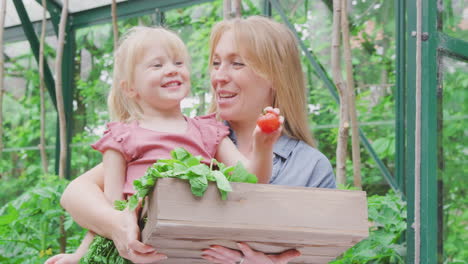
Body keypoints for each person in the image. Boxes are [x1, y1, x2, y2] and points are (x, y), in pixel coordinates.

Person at [55, 16, 336, 264]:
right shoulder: (187, 138)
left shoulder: (311, 167)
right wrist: (116, 227)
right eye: (216, 64)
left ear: (276, 76)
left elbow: (320, 253)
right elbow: (76, 194)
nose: (218, 77)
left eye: (236, 64)